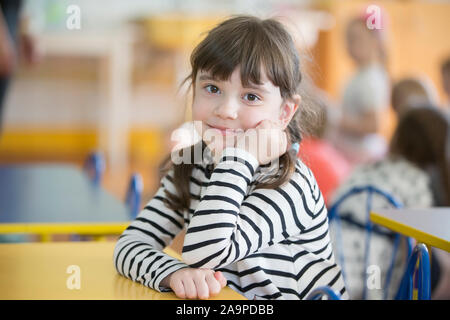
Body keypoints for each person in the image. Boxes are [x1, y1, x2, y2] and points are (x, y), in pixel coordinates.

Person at [113, 15, 348, 300]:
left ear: (284, 112)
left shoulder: (289, 183)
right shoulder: (194, 166)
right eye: (212, 88)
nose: (226, 110)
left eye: (251, 96)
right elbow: (130, 244)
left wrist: (240, 156)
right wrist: (173, 273)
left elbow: (205, 253)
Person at [329, 106, 450, 299]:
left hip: (331, 273)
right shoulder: (417, 180)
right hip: (375, 283)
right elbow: (423, 240)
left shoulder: (365, 168)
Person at [331, 15, 390, 165]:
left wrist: (335, 119)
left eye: (356, 39)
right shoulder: (359, 74)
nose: (350, 44)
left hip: (361, 156)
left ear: (375, 41)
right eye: (348, 39)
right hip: (351, 152)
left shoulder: (371, 78)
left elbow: (373, 125)